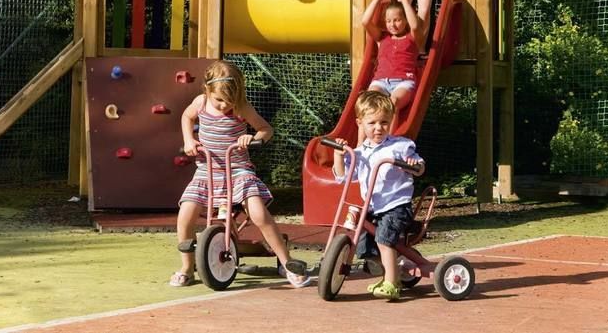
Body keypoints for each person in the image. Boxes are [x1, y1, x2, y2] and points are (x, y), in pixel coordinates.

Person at [170, 60, 311, 288]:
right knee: (185, 216)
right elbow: (187, 117)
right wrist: (189, 139)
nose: (225, 105)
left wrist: (252, 138)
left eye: (230, 101)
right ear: (207, 90)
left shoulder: (241, 107)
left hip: (238, 172)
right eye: (220, 100)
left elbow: (266, 129)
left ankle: (288, 264)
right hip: (207, 171)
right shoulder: (200, 102)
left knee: (258, 214)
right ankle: (187, 268)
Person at [332, 91, 425, 301]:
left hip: (396, 206)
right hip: (373, 207)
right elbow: (343, 177)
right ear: (360, 123)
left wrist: (414, 166)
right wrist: (338, 155)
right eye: (372, 122)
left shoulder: (400, 146)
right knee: (365, 243)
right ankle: (390, 269)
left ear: (391, 122)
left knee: (383, 238)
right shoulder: (360, 152)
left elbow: (419, 167)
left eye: (384, 122)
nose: (378, 128)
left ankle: (392, 283)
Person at [361, 0, 424, 140]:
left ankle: (388, 142)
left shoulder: (412, 37)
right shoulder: (382, 38)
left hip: (403, 82)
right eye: (389, 21)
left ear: (405, 21)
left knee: (392, 102)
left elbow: (416, 26)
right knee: (367, 103)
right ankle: (360, 146)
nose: (392, 24)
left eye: (397, 20)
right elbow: (365, 21)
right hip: (380, 82)